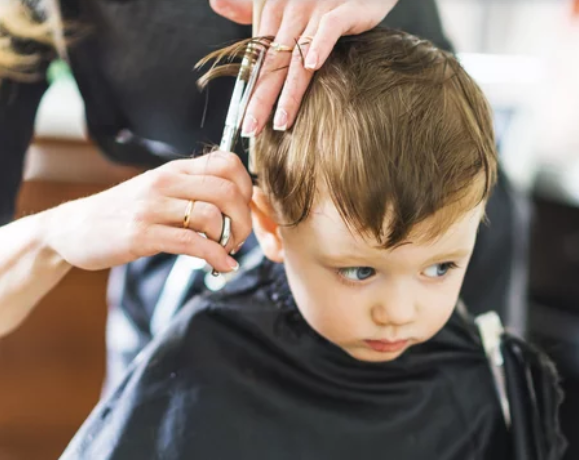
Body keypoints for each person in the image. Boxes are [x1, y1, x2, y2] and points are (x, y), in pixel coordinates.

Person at [59, 28, 565, 460]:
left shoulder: (479, 382)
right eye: (360, 271)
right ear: (271, 227)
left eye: (440, 267)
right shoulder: (200, 372)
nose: (400, 312)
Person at [0, 0, 526, 387]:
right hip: (196, 269)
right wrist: (53, 235)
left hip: (446, 252)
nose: (397, 311)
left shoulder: (426, 288)